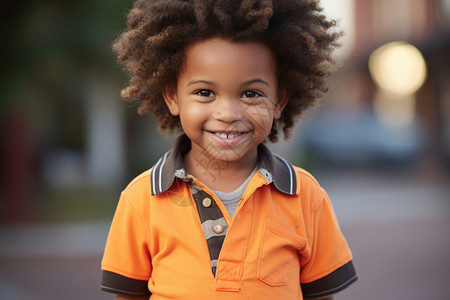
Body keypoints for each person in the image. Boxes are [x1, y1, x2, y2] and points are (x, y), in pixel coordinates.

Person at [100, 0, 357, 299]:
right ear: (173, 97)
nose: (227, 113)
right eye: (205, 92)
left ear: (278, 101)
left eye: (250, 93)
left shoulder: (305, 196)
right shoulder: (141, 198)